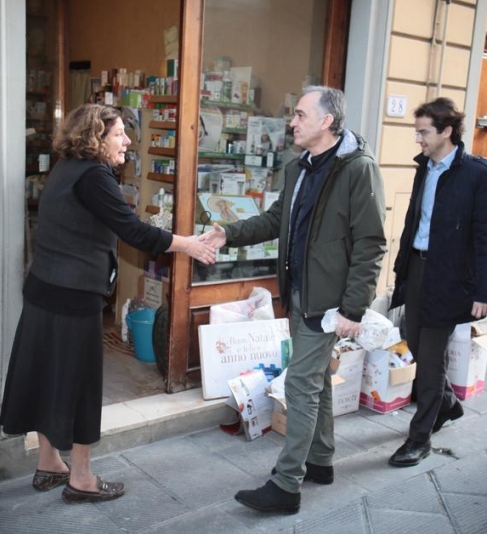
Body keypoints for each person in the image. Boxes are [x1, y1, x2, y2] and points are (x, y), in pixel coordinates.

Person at [0, 104, 216, 503]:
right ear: (96, 138)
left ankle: (49, 462)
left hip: (44, 290)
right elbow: (134, 231)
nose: (127, 141)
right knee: (80, 385)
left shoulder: (65, 168)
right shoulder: (94, 176)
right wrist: (189, 244)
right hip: (73, 296)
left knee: (48, 376)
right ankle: (81, 478)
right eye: (119, 134)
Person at [198, 86, 386, 513]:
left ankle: (286, 485)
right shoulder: (299, 167)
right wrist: (229, 234)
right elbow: (275, 219)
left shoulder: (358, 169)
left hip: (331, 302)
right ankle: (320, 459)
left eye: (301, 114)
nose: (292, 122)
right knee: (315, 379)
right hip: (300, 292)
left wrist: (353, 308)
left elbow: (371, 243)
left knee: (300, 384)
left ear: (327, 121)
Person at [388, 97, 487, 468]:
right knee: (415, 342)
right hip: (418, 269)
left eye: (424, 132)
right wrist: (402, 269)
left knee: (431, 358)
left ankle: (419, 438)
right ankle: (448, 404)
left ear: (447, 131)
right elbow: (414, 222)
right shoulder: (425, 168)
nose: (418, 138)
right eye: (417, 132)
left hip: (449, 277)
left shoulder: (477, 173)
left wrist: (486, 290)